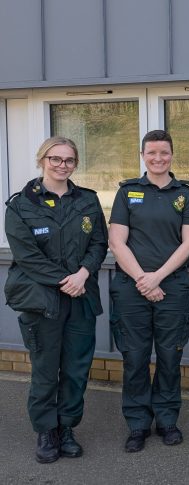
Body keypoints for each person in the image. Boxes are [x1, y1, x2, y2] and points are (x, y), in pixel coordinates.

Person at [4, 137, 108, 463]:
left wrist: (83, 274)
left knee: (77, 370)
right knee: (46, 370)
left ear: (75, 164)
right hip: (42, 301)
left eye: (69, 160)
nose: (62, 165)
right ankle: (46, 431)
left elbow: (98, 244)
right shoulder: (21, 205)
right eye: (55, 159)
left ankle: (66, 428)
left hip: (81, 298)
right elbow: (27, 256)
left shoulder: (88, 201)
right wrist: (66, 280)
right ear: (42, 160)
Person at [108, 130, 189, 452]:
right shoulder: (128, 192)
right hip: (132, 288)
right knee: (134, 357)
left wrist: (157, 278)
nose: (158, 158)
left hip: (171, 287)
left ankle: (167, 420)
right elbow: (117, 241)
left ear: (172, 155)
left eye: (164, 153)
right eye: (152, 153)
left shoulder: (186, 194)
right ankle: (137, 424)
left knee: (169, 356)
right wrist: (143, 280)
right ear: (143, 155)